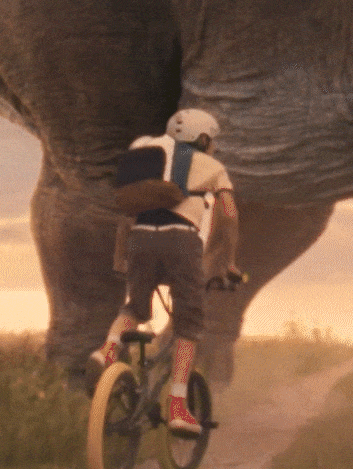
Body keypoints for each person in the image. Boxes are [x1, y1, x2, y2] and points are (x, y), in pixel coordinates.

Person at [93, 108, 243, 437]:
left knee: (136, 307)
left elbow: (127, 208)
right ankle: (177, 407)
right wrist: (224, 262)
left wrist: (123, 258)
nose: (214, 146)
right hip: (181, 242)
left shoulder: (147, 155)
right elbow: (228, 215)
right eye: (212, 140)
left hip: (140, 237)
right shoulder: (212, 166)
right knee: (188, 324)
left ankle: (108, 349)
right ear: (203, 138)